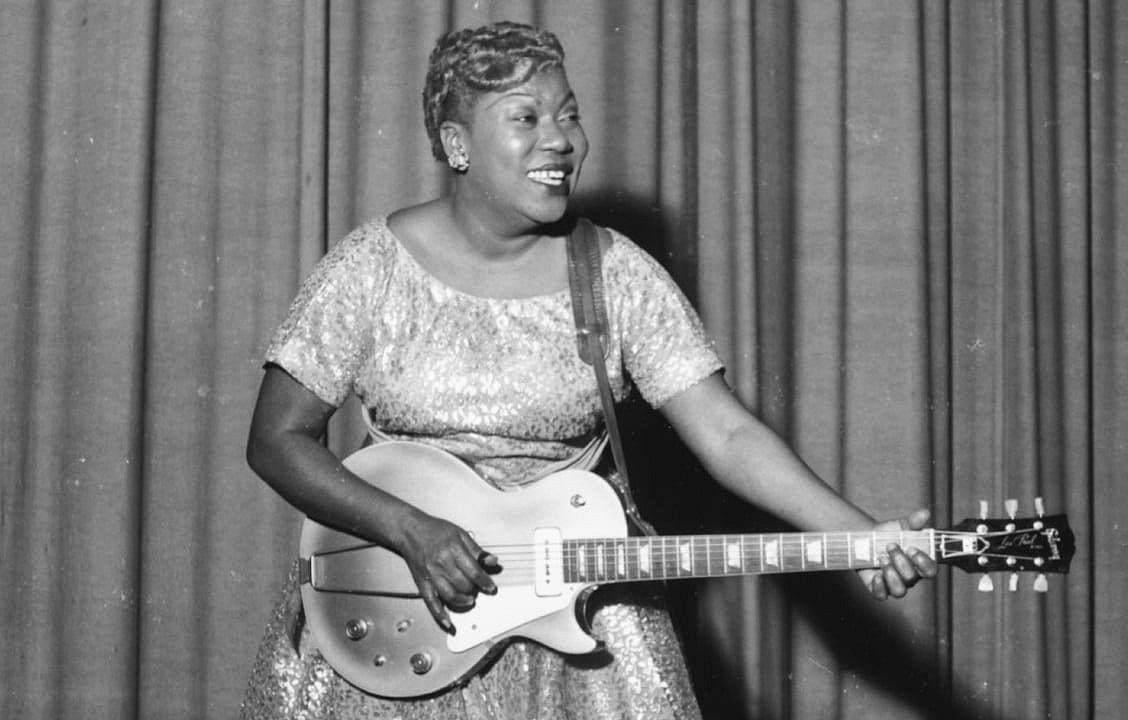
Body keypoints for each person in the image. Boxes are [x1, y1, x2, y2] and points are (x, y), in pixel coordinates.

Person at [239, 21, 937, 720]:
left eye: (569, 113)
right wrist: (406, 528)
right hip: (403, 614)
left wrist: (859, 535)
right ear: (457, 145)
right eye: (526, 118)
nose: (561, 140)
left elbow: (728, 436)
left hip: (580, 618)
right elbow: (276, 439)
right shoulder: (370, 267)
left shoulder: (614, 273)